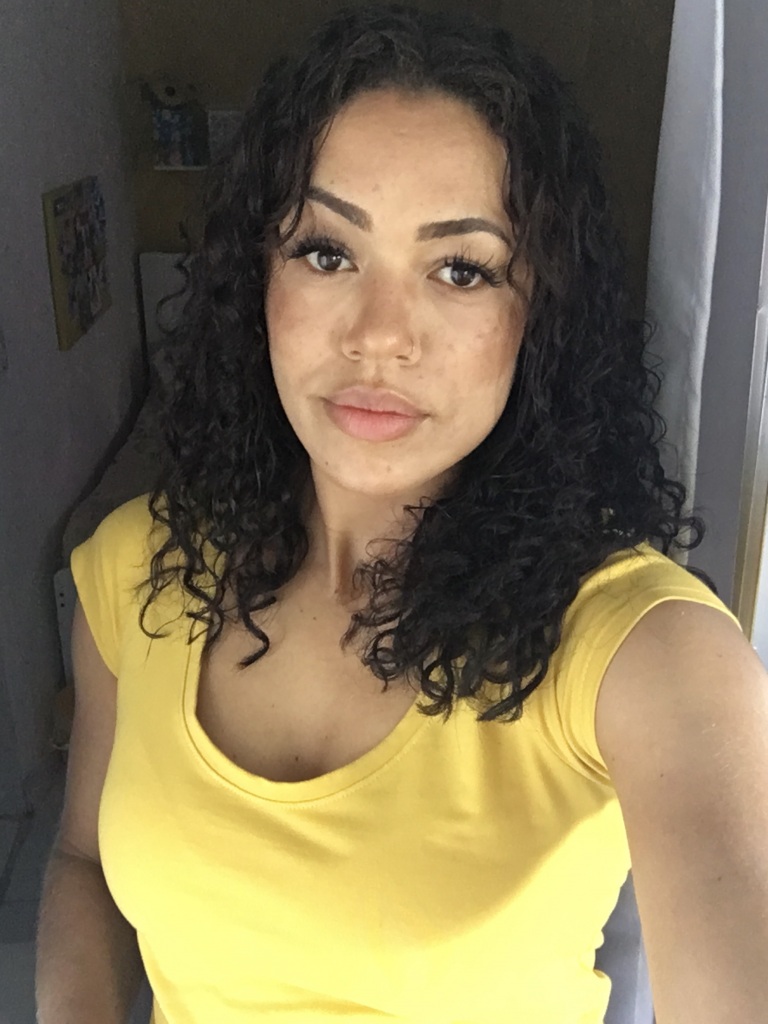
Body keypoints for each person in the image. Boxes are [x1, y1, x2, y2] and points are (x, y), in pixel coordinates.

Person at [36, 5, 768, 1024]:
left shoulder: (648, 650)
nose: (380, 336)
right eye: (327, 252)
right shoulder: (133, 570)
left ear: (539, 317)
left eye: (461, 269)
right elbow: (81, 857)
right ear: (257, 278)